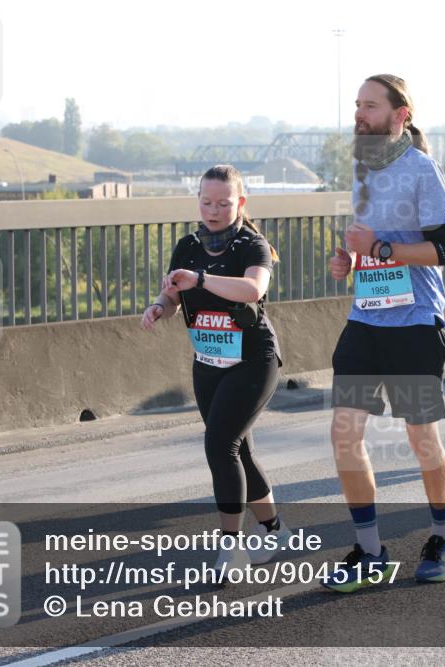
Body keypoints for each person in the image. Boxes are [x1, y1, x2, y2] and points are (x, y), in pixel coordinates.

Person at [322, 74, 445, 592]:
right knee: (344, 434)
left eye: (370, 106)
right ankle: (370, 550)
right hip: (365, 320)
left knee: (421, 437)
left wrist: (380, 248)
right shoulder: (362, 169)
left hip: (414, 323)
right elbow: (367, 247)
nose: (359, 114)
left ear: (400, 115)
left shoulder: (423, 170)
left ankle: (443, 537)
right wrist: (348, 260)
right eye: (357, 105)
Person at [141, 164, 291, 571]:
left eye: (223, 203)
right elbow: (173, 294)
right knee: (238, 449)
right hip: (208, 362)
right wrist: (160, 306)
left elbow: (252, 289)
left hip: (252, 360)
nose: (213, 210)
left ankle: (231, 545)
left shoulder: (251, 245)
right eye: (206, 202)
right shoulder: (187, 246)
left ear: (240, 203)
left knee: (219, 445)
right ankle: (273, 527)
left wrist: (202, 279)